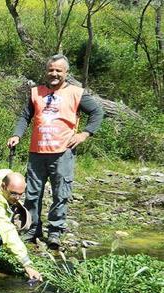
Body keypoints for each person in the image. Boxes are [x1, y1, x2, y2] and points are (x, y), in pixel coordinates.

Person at [7, 54, 103, 250]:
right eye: (51, 70)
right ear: (46, 71)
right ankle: (32, 230)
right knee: (32, 194)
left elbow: (97, 112)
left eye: (59, 70)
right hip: (37, 151)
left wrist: (84, 134)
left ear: (66, 73)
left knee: (61, 194)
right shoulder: (36, 92)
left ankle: (55, 233)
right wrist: (17, 135)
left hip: (62, 153)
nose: (54, 73)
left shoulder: (77, 93)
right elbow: (25, 116)